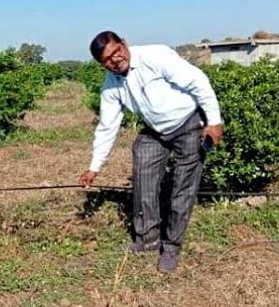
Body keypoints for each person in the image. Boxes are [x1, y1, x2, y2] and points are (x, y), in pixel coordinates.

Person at [79, 31, 224, 273]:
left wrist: (214, 121)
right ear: (100, 64)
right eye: (107, 59)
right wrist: (94, 167)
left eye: (117, 52)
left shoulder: (154, 56)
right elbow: (107, 126)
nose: (115, 60)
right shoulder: (111, 85)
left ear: (124, 44)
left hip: (189, 123)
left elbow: (197, 81)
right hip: (156, 131)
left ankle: (171, 247)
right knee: (143, 177)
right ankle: (147, 239)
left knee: (183, 187)